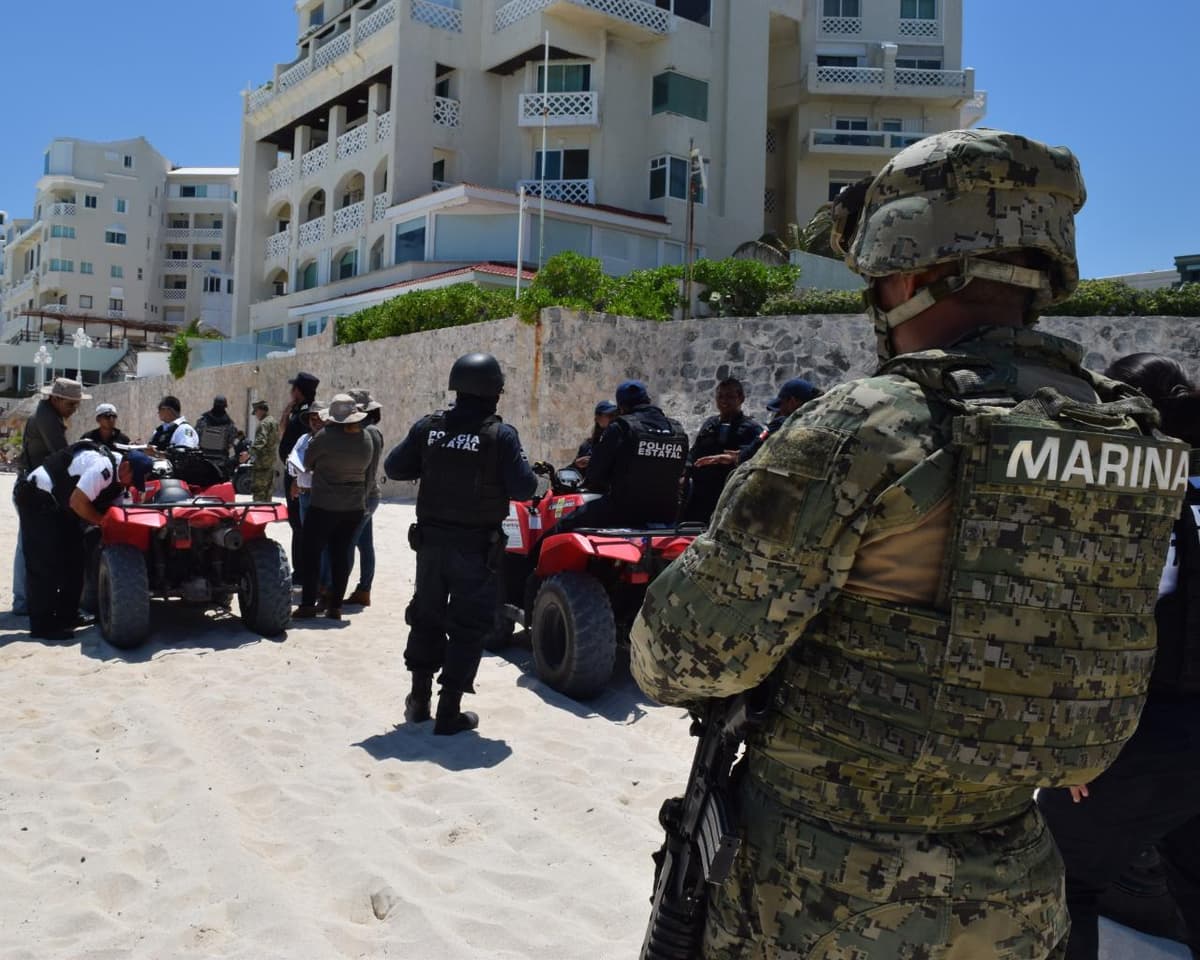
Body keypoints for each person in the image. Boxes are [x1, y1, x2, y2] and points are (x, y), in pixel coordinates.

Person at [629, 129, 1190, 959]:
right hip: (1019, 893)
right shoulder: (1129, 434)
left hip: (825, 899)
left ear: (908, 270)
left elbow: (682, 656)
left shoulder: (871, 427)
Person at [1036, 353, 1200, 959]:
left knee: (1057, 877)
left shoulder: (1134, 488)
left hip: (1149, 728)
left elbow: (1097, 623)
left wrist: (1074, 742)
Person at [385, 352, 537, 736]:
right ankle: (448, 711)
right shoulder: (500, 435)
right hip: (476, 549)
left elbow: (394, 467)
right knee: (468, 626)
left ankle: (419, 701)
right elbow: (524, 488)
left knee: (426, 616)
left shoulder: (430, 428)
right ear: (494, 392)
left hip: (431, 546)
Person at [15, 443, 152, 640]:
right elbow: (77, 502)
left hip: (63, 506)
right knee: (44, 564)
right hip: (39, 497)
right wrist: (101, 522)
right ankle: (43, 626)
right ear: (126, 467)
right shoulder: (103, 468)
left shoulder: (120, 481)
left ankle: (68, 615)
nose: (131, 486)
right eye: (133, 479)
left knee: (75, 560)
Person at [559, 380, 688, 531]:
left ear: (622, 407)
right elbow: (683, 471)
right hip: (666, 514)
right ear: (648, 400)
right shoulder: (676, 429)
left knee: (562, 526)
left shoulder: (621, 427)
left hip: (623, 511)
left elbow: (594, 474)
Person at [292, 395, 373, 623]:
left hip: (324, 504)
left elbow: (307, 463)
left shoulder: (324, 437)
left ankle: (308, 604)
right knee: (341, 554)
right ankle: (335, 606)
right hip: (353, 506)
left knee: (311, 553)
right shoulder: (366, 437)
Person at [13, 377, 85, 616]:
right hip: (32, 489)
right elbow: (61, 454)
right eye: (71, 404)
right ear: (55, 398)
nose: (74, 409)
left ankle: (24, 600)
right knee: (30, 548)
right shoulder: (47, 418)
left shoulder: (48, 414)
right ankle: (24, 602)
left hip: (33, 487)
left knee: (27, 546)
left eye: (77, 404)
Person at [682, 378, 762, 524]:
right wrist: (684, 472)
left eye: (730, 396)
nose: (724, 401)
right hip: (700, 496)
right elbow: (695, 452)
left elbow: (757, 459)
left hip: (729, 498)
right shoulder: (710, 424)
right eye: (720, 396)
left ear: (741, 398)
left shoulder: (751, 429)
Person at [280, 372, 320, 582]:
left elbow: (306, 449)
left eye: (293, 388)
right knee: (298, 524)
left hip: (300, 478)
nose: (290, 392)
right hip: (296, 474)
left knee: (300, 525)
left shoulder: (306, 415)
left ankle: (303, 572)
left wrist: (297, 478)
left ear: (299, 391)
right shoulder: (299, 412)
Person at [346, 389, 384, 607]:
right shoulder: (369, 430)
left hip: (363, 497)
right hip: (367, 496)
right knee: (365, 544)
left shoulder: (368, 432)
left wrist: (359, 501)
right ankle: (363, 590)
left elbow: (369, 472)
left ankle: (337, 591)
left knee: (348, 543)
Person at [737, 377, 822, 463]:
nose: (780, 410)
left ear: (792, 401)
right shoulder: (818, 422)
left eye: (782, 403)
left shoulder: (782, 423)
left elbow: (760, 442)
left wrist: (739, 457)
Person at [195, 395, 238, 475]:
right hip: (221, 463)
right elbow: (231, 442)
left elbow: (196, 437)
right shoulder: (229, 424)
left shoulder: (203, 420)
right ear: (225, 406)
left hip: (204, 461)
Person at [245, 400, 279, 502]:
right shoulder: (273, 422)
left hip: (261, 465)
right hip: (270, 464)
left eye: (255, 412)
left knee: (259, 494)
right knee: (268, 495)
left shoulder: (264, 424)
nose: (256, 415)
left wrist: (248, 454)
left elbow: (260, 441)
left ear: (260, 410)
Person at [573, 400, 617, 471]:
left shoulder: (622, 441)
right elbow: (576, 470)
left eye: (616, 415)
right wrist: (577, 464)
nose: (614, 419)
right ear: (597, 418)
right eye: (610, 415)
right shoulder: (587, 446)